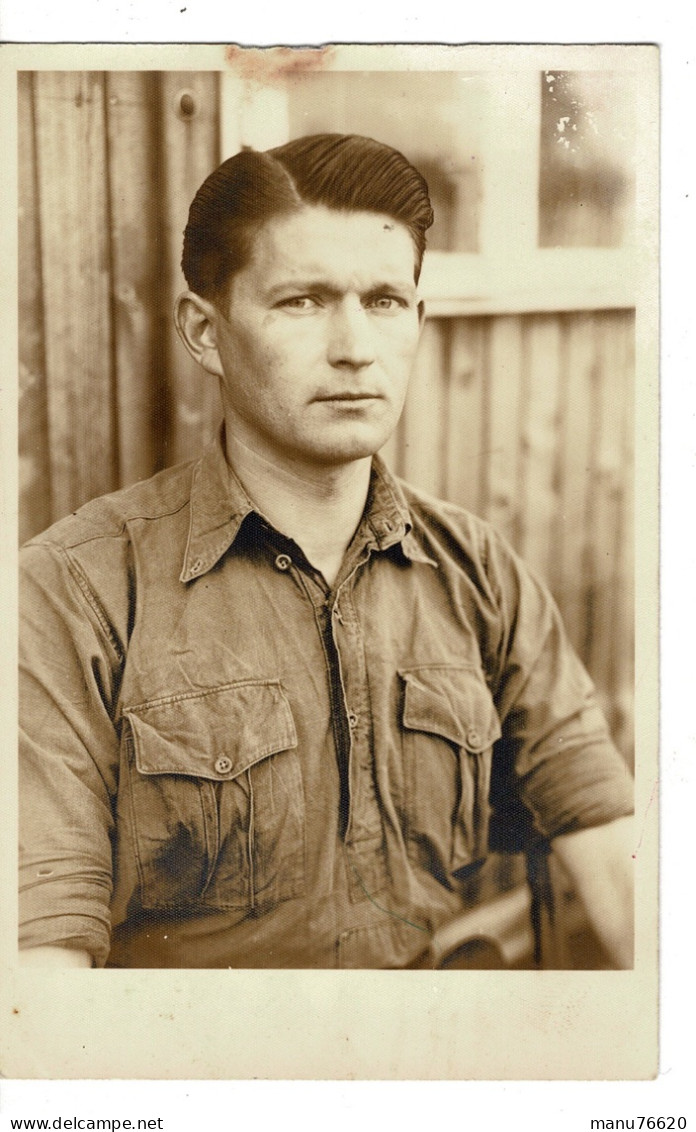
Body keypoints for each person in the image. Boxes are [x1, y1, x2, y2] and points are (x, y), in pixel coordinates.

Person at [19, 133, 634, 970]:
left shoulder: (477, 571)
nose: (355, 348)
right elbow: (40, 969)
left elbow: (619, 856)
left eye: (383, 301)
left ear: (416, 321)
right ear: (205, 332)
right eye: (302, 301)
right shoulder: (76, 590)